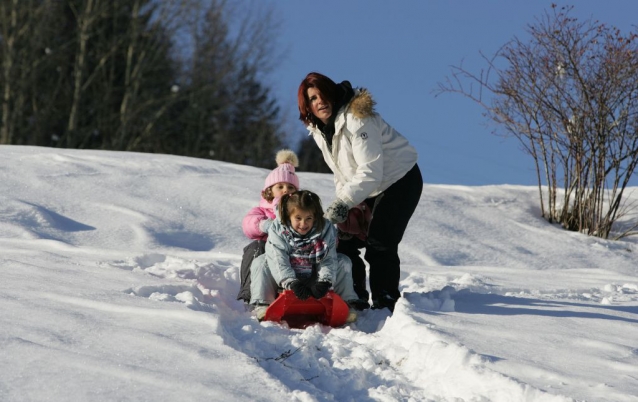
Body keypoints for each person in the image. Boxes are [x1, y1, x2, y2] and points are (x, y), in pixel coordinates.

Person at [297, 72, 423, 312]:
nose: (320, 102)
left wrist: (344, 202)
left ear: (333, 95)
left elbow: (370, 170)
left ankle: (385, 302)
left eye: (323, 95)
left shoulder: (357, 118)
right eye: (313, 99)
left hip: (399, 180)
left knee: (380, 242)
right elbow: (341, 171)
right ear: (307, 107)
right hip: (365, 188)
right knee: (343, 242)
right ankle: (353, 296)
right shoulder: (321, 130)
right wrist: (343, 204)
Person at [249, 190, 364, 321]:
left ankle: (346, 304)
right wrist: (291, 283)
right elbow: (278, 260)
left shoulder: (325, 229)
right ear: (288, 216)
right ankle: (263, 304)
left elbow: (328, 258)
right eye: (298, 218)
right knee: (261, 262)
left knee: (344, 261)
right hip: (284, 280)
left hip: (314, 276)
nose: (303, 224)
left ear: (315, 216)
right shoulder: (277, 229)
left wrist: (325, 282)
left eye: (308, 218)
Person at [236, 149, 299, 304]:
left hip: (294, 254)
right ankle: (250, 291)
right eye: (280, 186)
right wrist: (264, 224)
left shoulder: (301, 213)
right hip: (267, 252)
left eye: (291, 188)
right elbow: (248, 224)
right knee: (256, 247)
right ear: (269, 191)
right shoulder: (262, 211)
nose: (286, 190)